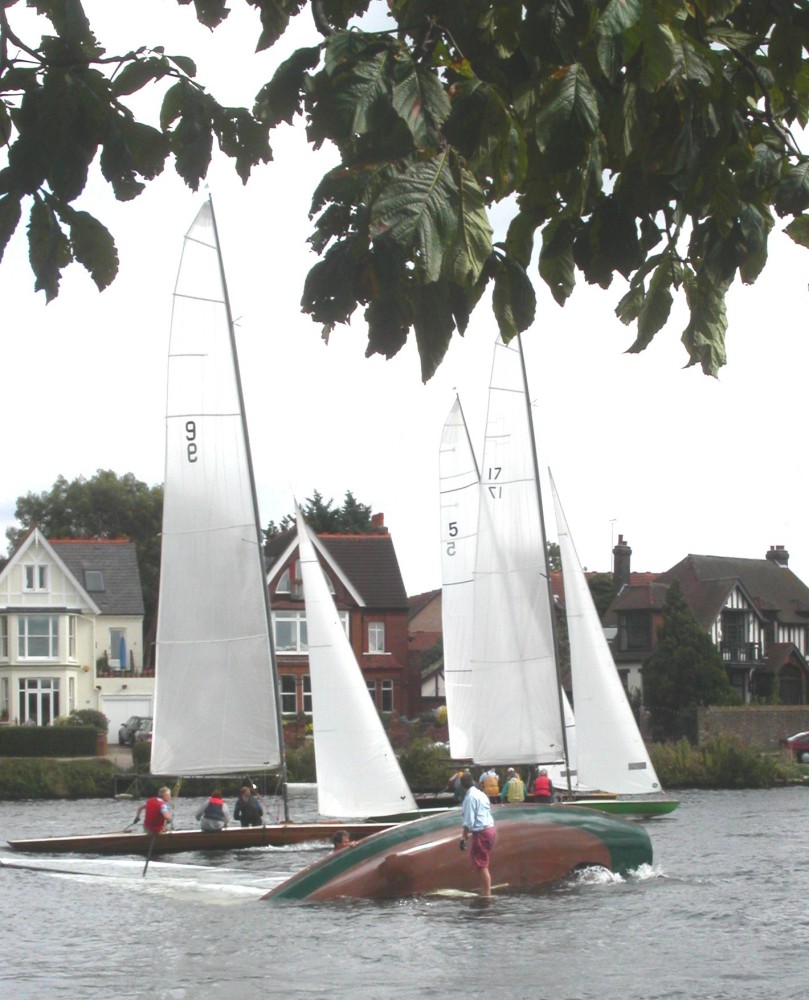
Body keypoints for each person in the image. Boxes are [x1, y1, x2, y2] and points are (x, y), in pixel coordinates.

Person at [459, 772, 496, 896]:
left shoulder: (470, 798)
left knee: (482, 865)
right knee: (481, 863)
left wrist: (463, 838)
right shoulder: (481, 794)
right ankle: (485, 888)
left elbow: (469, 822)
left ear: (462, 786)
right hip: (489, 829)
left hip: (482, 833)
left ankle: (486, 894)